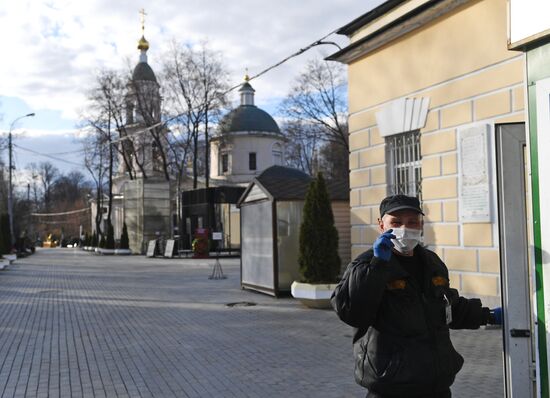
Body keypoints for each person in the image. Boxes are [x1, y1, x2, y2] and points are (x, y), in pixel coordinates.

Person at [331, 194, 501, 398]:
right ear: (381, 225)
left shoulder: (431, 263)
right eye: (396, 222)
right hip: (392, 387)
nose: (405, 228)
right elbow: (354, 314)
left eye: (412, 222)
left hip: (435, 385)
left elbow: (447, 308)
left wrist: (487, 315)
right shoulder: (364, 265)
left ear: (421, 225)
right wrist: (378, 267)